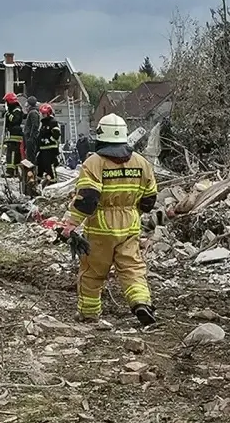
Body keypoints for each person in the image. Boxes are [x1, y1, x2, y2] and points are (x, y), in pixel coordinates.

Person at [61, 113, 158, 326]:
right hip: (130, 224)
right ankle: (141, 302)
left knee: (92, 272)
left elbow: (87, 200)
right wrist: (132, 213)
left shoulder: (94, 163)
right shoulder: (141, 162)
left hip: (100, 227)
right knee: (132, 269)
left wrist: (70, 224)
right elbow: (150, 198)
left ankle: (89, 314)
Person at [36, 103, 61, 182]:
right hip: (43, 148)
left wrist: (50, 139)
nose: (42, 115)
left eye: (44, 113)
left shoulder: (53, 122)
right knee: (40, 163)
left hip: (50, 148)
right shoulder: (43, 123)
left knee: (49, 164)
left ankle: (53, 180)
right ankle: (38, 179)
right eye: (42, 113)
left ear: (48, 113)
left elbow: (57, 133)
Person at [2, 92, 24, 177]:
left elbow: (15, 120)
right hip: (11, 135)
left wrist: (7, 114)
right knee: (10, 153)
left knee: (12, 154)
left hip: (15, 136)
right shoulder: (12, 110)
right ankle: (13, 171)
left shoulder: (17, 110)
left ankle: (11, 171)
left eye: (7, 101)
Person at [23, 96, 40, 161]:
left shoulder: (33, 112)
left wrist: (31, 138)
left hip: (31, 139)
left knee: (31, 156)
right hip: (29, 138)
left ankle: (32, 170)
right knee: (29, 155)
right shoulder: (31, 112)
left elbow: (35, 125)